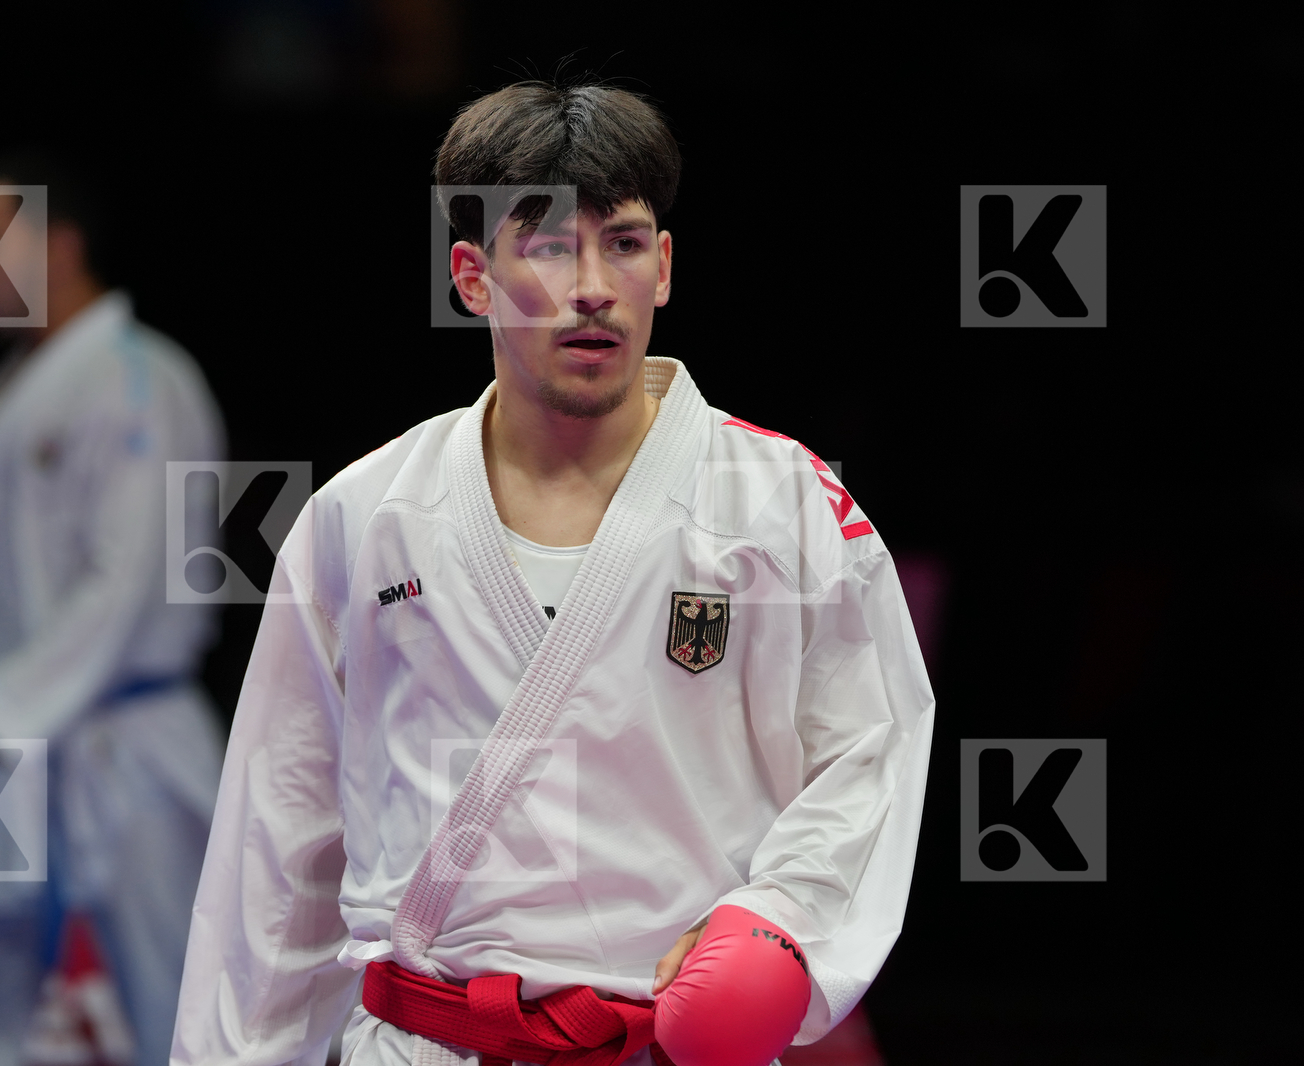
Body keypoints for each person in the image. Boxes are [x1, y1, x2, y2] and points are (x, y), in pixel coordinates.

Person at [171, 80, 935, 1066]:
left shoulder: (781, 503)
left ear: (664, 267)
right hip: (425, 1039)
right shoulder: (365, 516)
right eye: (547, 246)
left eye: (623, 243)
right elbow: (277, 836)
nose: (592, 286)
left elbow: (872, 746)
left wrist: (779, 916)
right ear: (471, 277)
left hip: (662, 1044)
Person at [0, 154, 229, 1066]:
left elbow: (125, 583)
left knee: (194, 1019)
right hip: (9, 745)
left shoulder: (140, 378)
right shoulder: (13, 387)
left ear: (60, 245)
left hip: (126, 736)